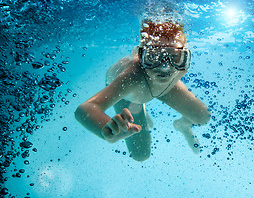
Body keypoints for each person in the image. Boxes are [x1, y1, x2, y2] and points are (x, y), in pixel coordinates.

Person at [74, 20, 210, 161]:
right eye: (154, 56)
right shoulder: (132, 78)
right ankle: (139, 108)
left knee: (202, 116)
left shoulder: (179, 69)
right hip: (129, 95)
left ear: (185, 57)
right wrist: (106, 128)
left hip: (158, 88)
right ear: (142, 57)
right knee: (141, 154)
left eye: (175, 57)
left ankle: (182, 125)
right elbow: (85, 108)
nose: (164, 67)